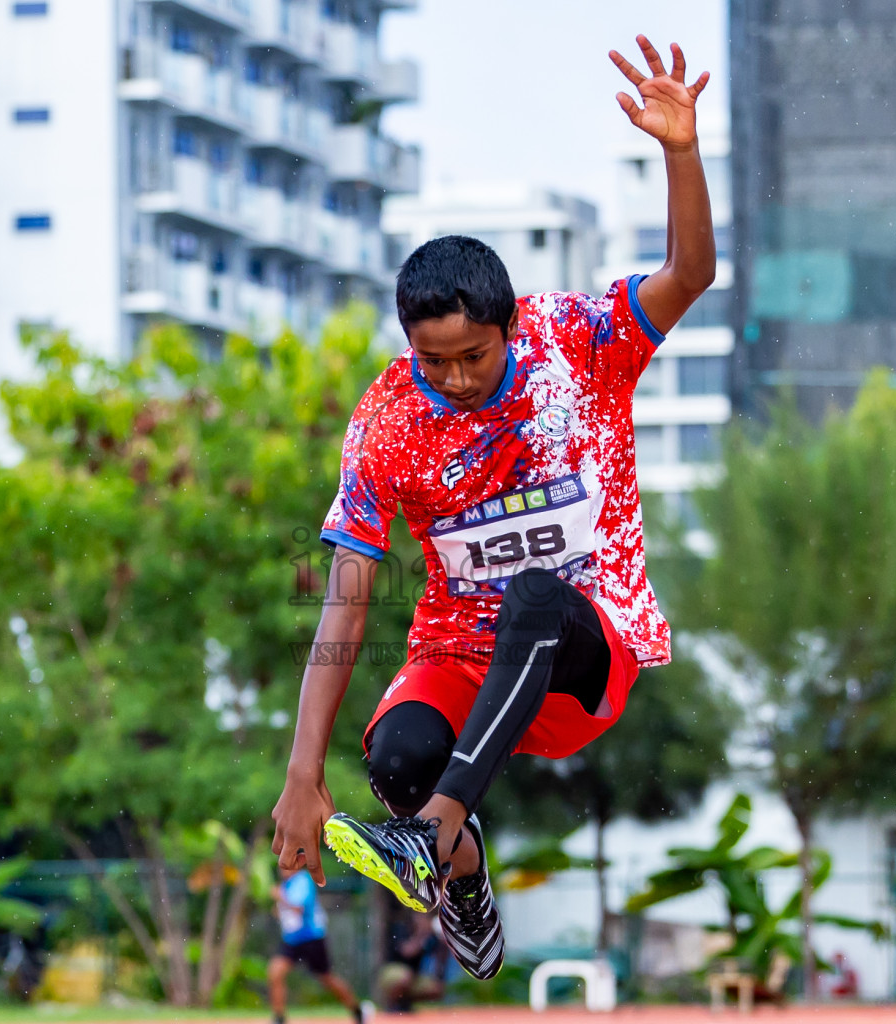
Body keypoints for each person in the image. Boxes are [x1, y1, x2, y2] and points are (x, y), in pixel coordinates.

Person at [271, 33, 717, 982]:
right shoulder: (389, 420)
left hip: (581, 651)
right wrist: (302, 775)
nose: (455, 378)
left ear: (508, 326)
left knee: (535, 593)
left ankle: (430, 837)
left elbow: (689, 276)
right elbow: (347, 592)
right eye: (433, 361)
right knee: (396, 756)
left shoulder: (578, 344)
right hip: (458, 658)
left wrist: (679, 150)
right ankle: (461, 880)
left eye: (472, 356)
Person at [268, 866, 368, 1024]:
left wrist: (279, 896)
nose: (282, 868)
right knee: (275, 972)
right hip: (292, 939)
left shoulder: (302, 880)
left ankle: (357, 1009)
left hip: (311, 937)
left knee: (327, 978)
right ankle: (279, 1018)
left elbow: (298, 907)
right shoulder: (287, 883)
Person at [378, 912, 445, 1013]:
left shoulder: (430, 936)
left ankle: (405, 1003)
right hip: (392, 971)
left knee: (436, 988)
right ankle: (392, 1005)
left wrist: (444, 941)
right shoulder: (401, 928)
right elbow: (407, 952)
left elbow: (440, 958)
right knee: (406, 976)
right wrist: (421, 934)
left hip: (414, 976)